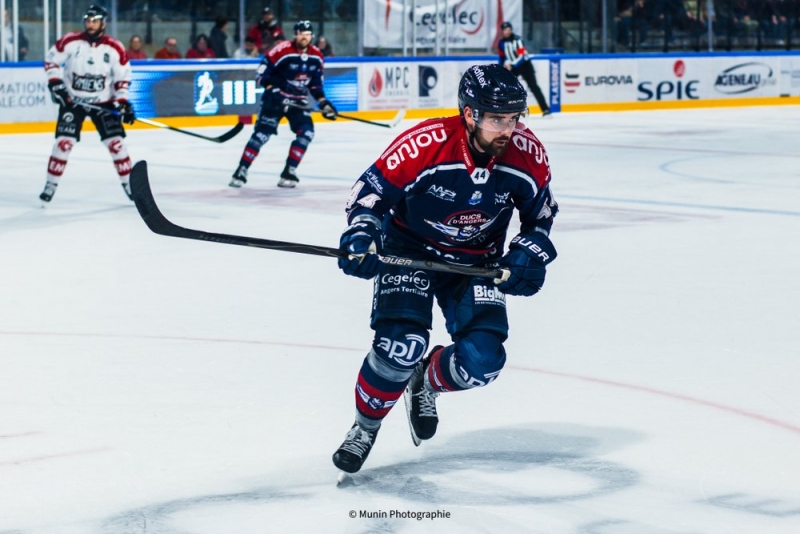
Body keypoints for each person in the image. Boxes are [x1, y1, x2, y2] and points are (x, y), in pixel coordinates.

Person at [331, 64, 559, 474]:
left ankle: (427, 381)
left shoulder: (527, 155)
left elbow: (541, 215)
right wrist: (362, 234)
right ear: (469, 114)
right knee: (401, 346)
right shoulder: (426, 144)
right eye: (496, 119)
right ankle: (365, 427)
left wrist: (532, 249)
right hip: (409, 249)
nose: (507, 129)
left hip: (475, 262)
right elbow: (368, 194)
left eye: (513, 118)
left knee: (484, 361)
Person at [39, 4, 135, 204]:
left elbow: (122, 77)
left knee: (116, 145)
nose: (90, 24)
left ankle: (129, 185)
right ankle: (50, 184)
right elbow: (51, 61)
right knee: (63, 144)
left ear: (103, 23)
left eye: (94, 20)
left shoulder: (114, 47)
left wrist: (123, 102)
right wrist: (56, 83)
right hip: (73, 102)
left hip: (104, 103)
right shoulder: (71, 41)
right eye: (88, 20)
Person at [230, 20, 337, 189]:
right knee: (261, 135)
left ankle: (289, 171)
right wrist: (272, 89)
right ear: (295, 34)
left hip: (298, 102)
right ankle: (241, 170)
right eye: (301, 33)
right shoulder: (281, 50)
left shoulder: (317, 56)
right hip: (275, 100)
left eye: (308, 34)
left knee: (307, 133)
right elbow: (261, 74)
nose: (304, 37)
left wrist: (324, 103)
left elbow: (315, 85)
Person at [497, 22, 551, 117]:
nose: (507, 31)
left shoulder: (518, 40)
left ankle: (545, 109)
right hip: (513, 67)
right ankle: (508, 110)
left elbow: (522, 55)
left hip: (525, 65)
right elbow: (502, 57)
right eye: (505, 30)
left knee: (534, 86)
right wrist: (501, 68)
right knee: (508, 88)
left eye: (509, 29)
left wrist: (512, 65)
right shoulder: (501, 43)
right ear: (502, 31)